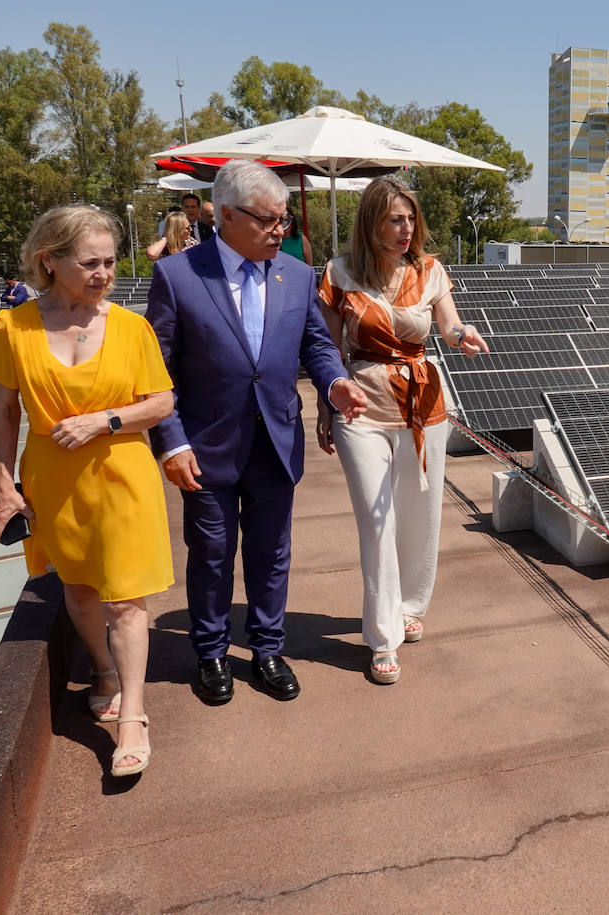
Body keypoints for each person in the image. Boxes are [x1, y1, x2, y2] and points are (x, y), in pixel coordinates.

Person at [146, 159, 368, 706]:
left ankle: (268, 649)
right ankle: (211, 653)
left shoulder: (295, 273)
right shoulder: (178, 275)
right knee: (213, 553)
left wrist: (335, 384)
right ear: (225, 215)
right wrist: (171, 441)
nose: (280, 231)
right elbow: (156, 372)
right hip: (205, 447)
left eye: (284, 220)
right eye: (269, 221)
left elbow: (316, 344)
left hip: (276, 439)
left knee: (272, 554)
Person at [0, 204, 175, 778]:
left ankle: (133, 717)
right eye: (90, 263)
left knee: (124, 598)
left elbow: (161, 403)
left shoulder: (132, 327)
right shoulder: (13, 328)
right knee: (82, 590)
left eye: (110, 262)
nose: (104, 273)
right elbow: (2, 409)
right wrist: (2, 487)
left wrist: (106, 420)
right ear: (51, 260)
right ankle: (104, 670)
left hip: (121, 473)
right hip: (53, 478)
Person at [315, 177, 489, 685]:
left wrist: (462, 336)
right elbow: (327, 350)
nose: (406, 228)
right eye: (395, 218)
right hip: (361, 406)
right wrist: (325, 408)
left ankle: (411, 603)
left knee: (420, 512)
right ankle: (383, 635)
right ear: (371, 222)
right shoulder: (339, 273)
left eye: (411, 217)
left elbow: (450, 325)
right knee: (376, 519)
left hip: (423, 404)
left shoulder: (431, 270)